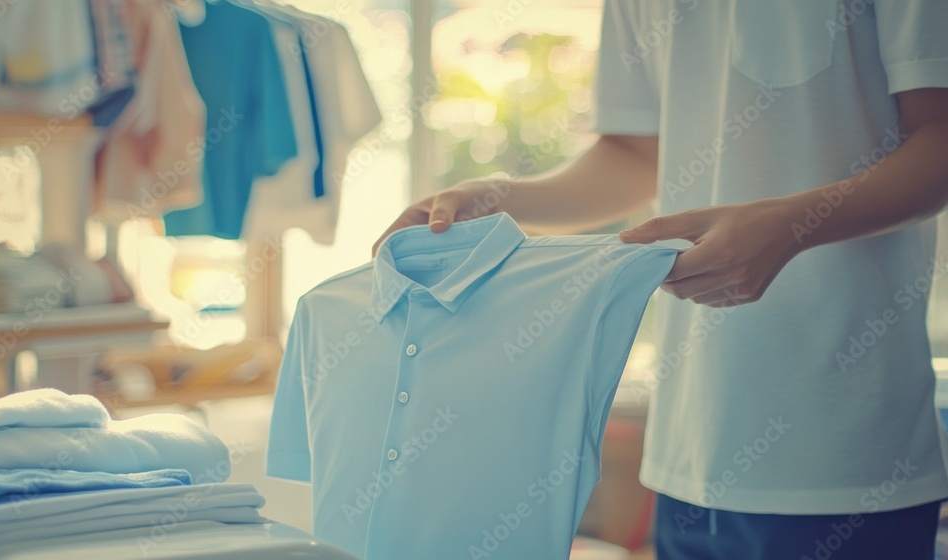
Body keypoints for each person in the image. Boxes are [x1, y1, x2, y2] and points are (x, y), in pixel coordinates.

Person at [374, 1, 948, 558]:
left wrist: (793, 226)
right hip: (686, 453)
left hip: (841, 454)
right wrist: (499, 198)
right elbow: (634, 154)